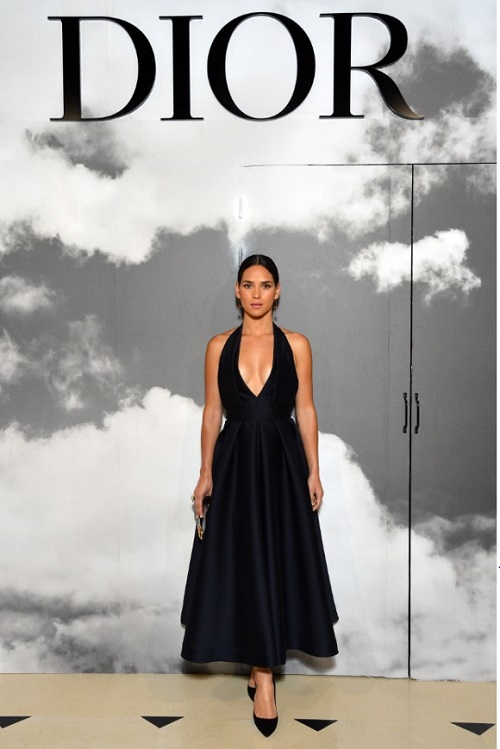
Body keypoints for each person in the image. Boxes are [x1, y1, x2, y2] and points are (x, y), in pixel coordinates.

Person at [181, 254, 338, 736]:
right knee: (244, 562)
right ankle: (261, 668)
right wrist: (205, 472)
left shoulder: (297, 345)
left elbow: (305, 409)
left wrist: (314, 470)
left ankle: (263, 674)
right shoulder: (218, 346)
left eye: (265, 285)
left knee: (276, 560)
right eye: (248, 285)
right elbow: (212, 412)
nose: (256, 293)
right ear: (237, 291)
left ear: (277, 291)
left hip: (282, 464)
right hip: (234, 463)